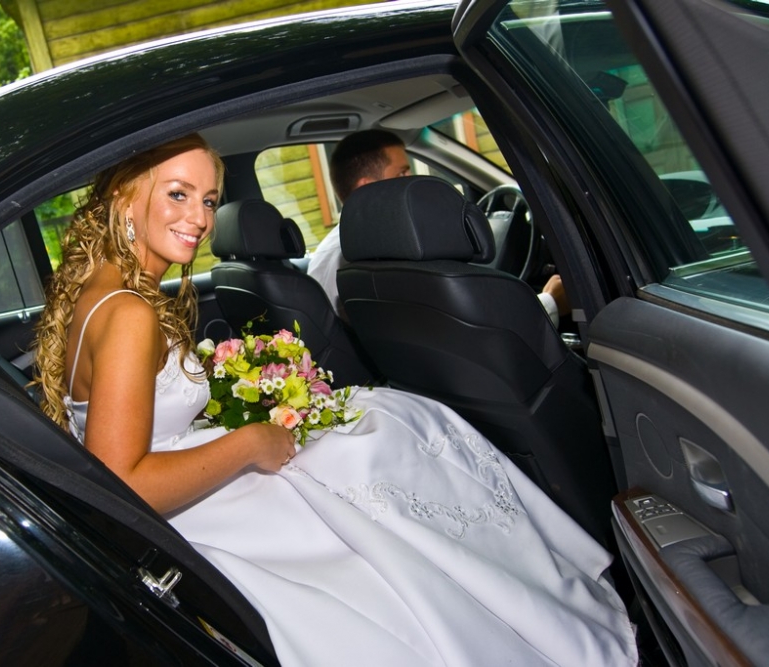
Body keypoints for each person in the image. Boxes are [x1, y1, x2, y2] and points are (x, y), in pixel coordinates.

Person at [33, 134, 637, 666]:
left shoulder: (98, 292)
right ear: (124, 198)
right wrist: (248, 441)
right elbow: (123, 483)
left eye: (209, 199)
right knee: (387, 440)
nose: (199, 217)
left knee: (383, 422)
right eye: (178, 194)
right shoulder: (130, 313)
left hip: (192, 492)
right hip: (196, 514)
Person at [307, 129, 569, 325]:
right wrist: (550, 302)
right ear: (367, 188)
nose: (414, 181)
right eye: (402, 173)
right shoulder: (387, 256)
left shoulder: (334, 249)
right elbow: (459, 333)